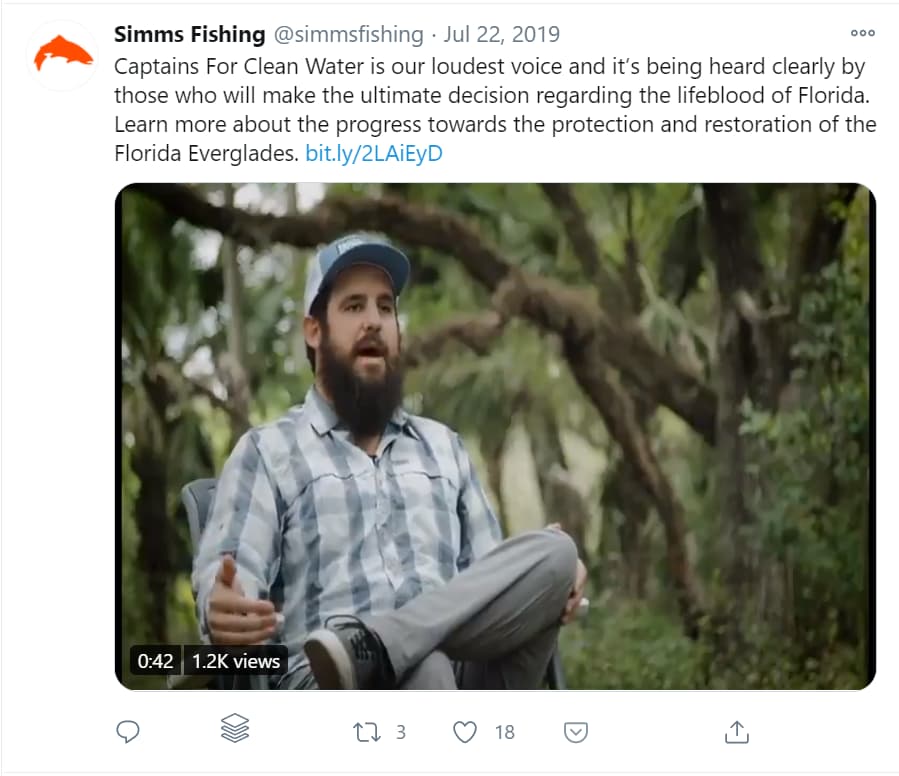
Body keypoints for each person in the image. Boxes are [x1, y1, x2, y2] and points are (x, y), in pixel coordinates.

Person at [193, 232, 588, 690]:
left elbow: (489, 586)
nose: (374, 321)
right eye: (354, 306)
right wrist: (219, 610)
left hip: (466, 681)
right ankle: (374, 655)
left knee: (558, 552)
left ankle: (380, 645)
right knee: (427, 666)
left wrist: (550, 580)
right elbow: (229, 584)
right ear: (314, 330)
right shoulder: (268, 452)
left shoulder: (445, 449)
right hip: (325, 688)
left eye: (385, 307)